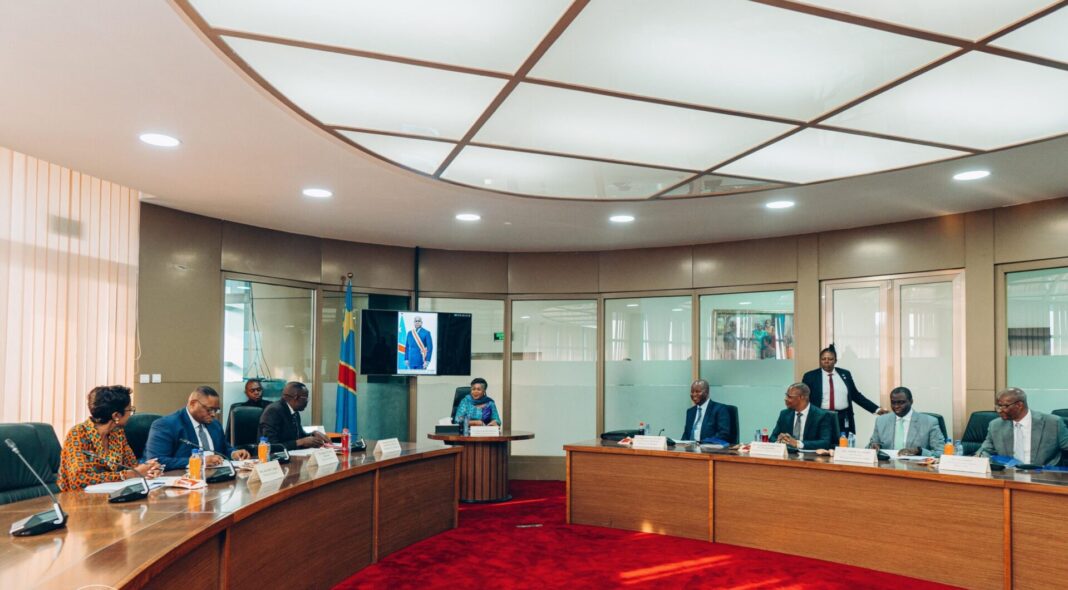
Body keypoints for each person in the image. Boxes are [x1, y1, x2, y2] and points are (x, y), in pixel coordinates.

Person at [57, 385, 162, 491]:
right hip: (79, 498)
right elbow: (79, 480)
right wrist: (128, 474)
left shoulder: (117, 433)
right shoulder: (78, 434)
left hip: (111, 495)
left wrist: (148, 469)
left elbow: (132, 467)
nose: (130, 414)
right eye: (130, 410)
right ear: (116, 415)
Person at [145, 386, 251, 470]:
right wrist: (200, 461)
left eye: (216, 410)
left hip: (216, 476)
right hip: (184, 481)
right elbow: (157, 460)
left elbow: (223, 448)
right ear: (193, 404)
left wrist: (233, 453)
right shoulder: (166, 425)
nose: (213, 414)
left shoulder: (215, 424)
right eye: (209, 410)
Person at [802, 344, 886, 435]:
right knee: (822, 442)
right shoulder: (810, 376)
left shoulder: (845, 374)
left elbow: (856, 395)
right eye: (823, 359)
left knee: (843, 442)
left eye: (830, 359)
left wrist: (876, 409)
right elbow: (804, 398)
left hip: (842, 417)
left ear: (835, 360)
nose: (826, 361)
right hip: (821, 416)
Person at [979, 388, 1068, 466]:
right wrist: (978, 461)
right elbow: (985, 451)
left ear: (1019, 405)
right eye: (998, 406)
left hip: (1044, 475)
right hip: (1008, 475)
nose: (999, 410)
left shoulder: (1053, 423)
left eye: (1004, 406)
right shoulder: (996, 425)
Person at [867, 387, 944, 456]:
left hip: (915, 466)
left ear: (911, 401)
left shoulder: (929, 422)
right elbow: (870, 446)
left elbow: (941, 452)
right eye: (893, 402)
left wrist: (919, 451)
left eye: (901, 402)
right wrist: (873, 447)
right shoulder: (881, 421)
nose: (896, 406)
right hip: (887, 465)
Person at [259, 381, 331, 450]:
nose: (307, 402)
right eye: (306, 398)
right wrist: (300, 442)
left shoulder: (294, 412)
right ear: (295, 397)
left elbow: (299, 436)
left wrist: (313, 434)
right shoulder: (273, 411)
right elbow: (270, 445)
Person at [770, 383, 836, 450]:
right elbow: (772, 437)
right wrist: (779, 441)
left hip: (810, 455)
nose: (786, 399)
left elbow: (825, 442)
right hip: (789, 454)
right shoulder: (784, 414)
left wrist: (797, 443)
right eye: (786, 396)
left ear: (801, 397)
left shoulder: (821, 415)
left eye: (789, 397)